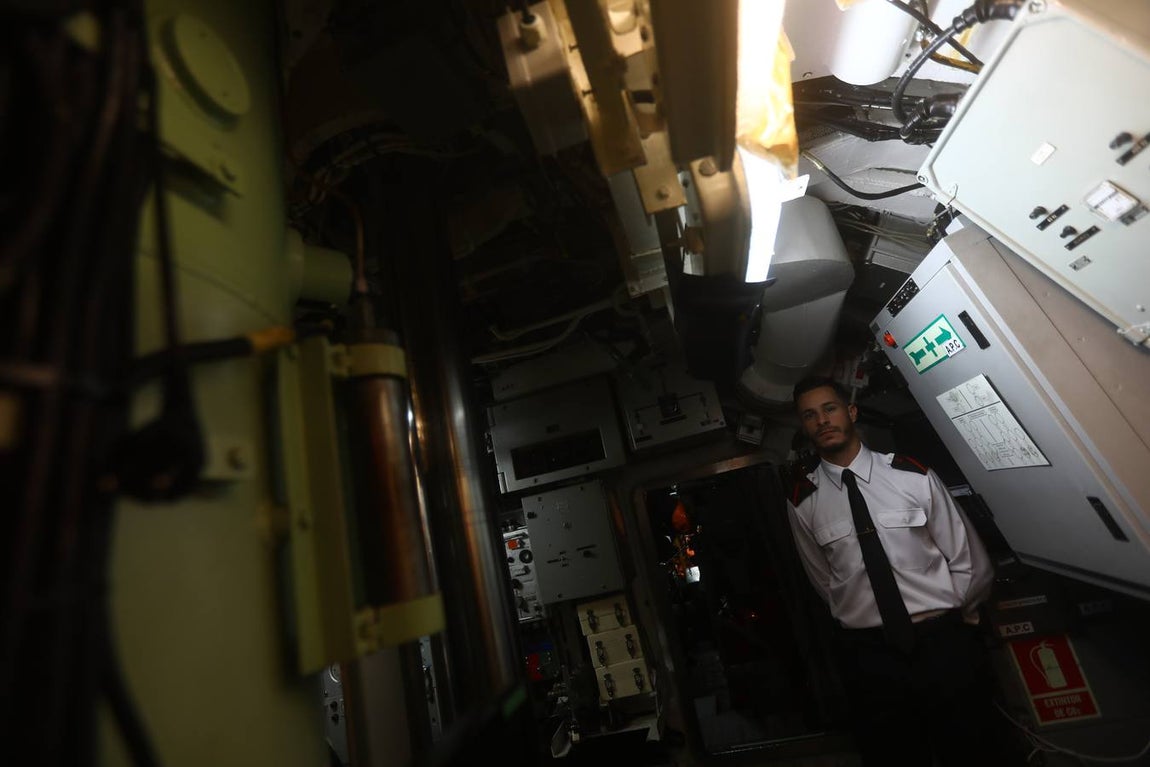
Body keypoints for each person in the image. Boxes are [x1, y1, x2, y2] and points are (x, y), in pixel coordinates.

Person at [785, 375, 1022, 767]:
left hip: (942, 643)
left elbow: (968, 561)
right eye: (810, 415)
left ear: (851, 412)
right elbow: (825, 583)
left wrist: (953, 620)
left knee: (978, 750)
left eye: (829, 408)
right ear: (804, 427)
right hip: (870, 658)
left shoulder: (912, 475)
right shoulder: (803, 502)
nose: (822, 420)